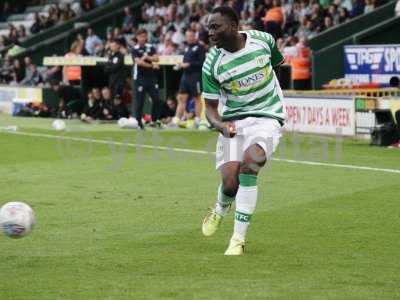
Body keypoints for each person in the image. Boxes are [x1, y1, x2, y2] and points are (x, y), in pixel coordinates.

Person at [201, 6, 285, 255]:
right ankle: (219, 209)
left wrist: (274, 97)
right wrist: (219, 125)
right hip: (234, 121)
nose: (211, 33)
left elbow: (277, 66)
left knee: (251, 164)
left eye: (216, 27)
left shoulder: (263, 40)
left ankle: (238, 239)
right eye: (209, 28)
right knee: (229, 183)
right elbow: (210, 109)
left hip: (268, 117)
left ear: (235, 25)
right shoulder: (212, 63)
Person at [173, 28, 206, 128]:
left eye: (191, 36)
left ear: (195, 36)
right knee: (181, 98)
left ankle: (197, 120)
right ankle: (176, 120)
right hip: (185, 76)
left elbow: (201, 62)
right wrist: (181, 65)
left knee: (197, 98)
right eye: (187, 36)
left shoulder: (200, 47)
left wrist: (189, 64)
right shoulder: (187, 47)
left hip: (195, 76)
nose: (189, 38)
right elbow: (185, 62)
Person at [131, 28, 161, 129]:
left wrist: (147, 57)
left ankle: (153, 120)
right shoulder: (134, 49)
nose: (142, 38)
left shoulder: (150, 47)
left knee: (156, 99)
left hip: (151, 78)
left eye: (144, 36)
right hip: (139, 78)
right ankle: (139, 122)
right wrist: (152, 65)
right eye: (140, 36)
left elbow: (156, 58)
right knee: (139, 101)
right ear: (137, 37)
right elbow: (139, 62)